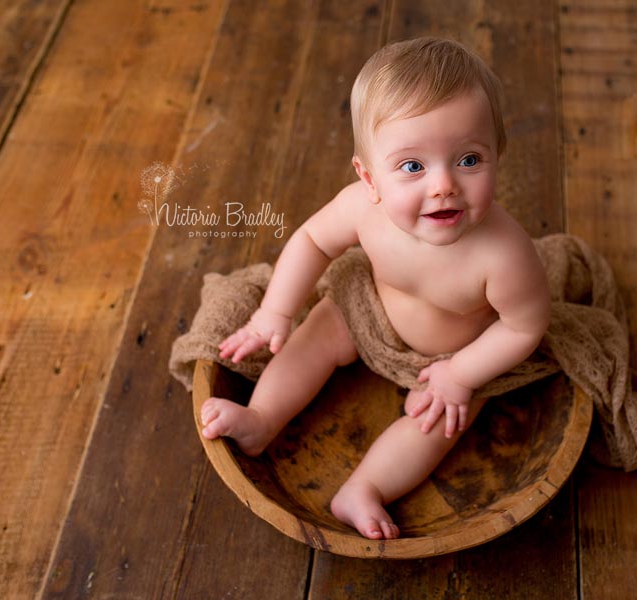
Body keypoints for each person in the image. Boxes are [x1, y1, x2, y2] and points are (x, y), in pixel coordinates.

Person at [199, 37, 551, 540]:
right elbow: (313, 240)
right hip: (373, 312)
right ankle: (261, 419)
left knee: (443, 419)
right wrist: (274, 312)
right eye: (412, 166)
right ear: (369, 178)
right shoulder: (362, 210)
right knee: (318, 329)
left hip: (450, 356)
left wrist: (463, 372)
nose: (443, 185)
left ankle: (365, 489)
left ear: (499, 154)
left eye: (469, 160)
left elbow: (525, 326)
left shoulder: (505, 254)